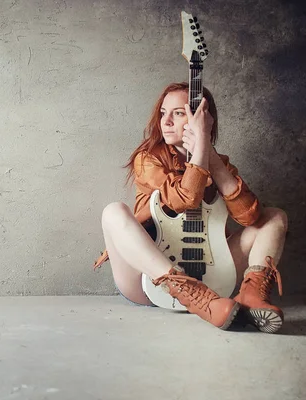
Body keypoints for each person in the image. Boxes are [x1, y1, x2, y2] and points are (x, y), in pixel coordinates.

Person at [93, 82, 288, 333]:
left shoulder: (220, 164)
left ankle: (250, 296)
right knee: (113, 211)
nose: (166, 121)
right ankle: (188, 291)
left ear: (203, 120)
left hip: (212, 275)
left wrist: (209, 155)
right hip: (147, 278)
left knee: (274, 217)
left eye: (178, 112)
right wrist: (200, 155)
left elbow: (250, 215)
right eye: (163, 112)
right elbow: (185, 198)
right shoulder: (148, 158)